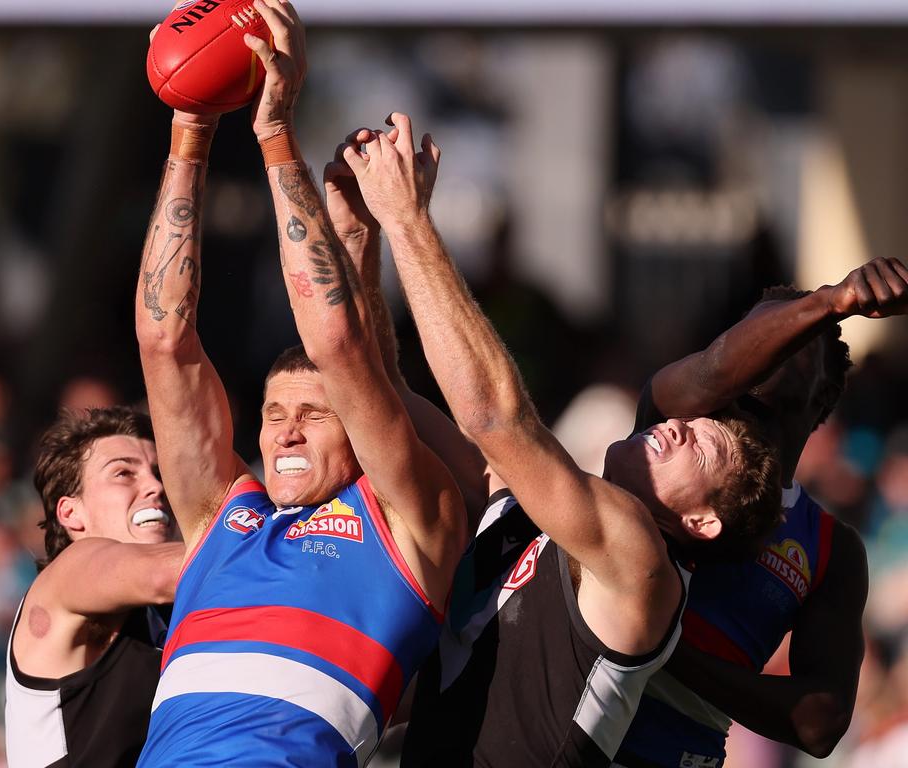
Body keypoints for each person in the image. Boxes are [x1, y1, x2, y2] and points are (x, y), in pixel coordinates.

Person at [334, 113, 782, 767]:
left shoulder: (642, 564)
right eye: (688, 424)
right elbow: (379, 388)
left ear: (702, 521)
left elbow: (493, 417)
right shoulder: (522, 515)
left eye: (703, 446)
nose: (678, 425)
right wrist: (357, 229)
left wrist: (406, 219)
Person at [132, 2, 466, 765]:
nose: (284, 430)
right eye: (274, 412)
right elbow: (163, 337)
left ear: (362, 429)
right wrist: (192, 126)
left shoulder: (412, 518)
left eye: (313, 414)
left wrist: (275, 131)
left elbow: (341, 344)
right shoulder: (224, 518)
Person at [614, 258, 908, 767]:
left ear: (821, 395)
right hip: (562, 728)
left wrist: (665, 649)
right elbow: (714, 368)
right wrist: (829, 302)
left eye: (798, 332)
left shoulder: (830, 549)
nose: (769, 338)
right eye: (756, 328)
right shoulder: (673, 421)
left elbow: (820, 722)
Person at [4, 406, 183, 767]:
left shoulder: (166, 607)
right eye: (123, 473)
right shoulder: (67, 575)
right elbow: (167, 574)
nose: (155, 486)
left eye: (158, 472)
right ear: (71, 513)